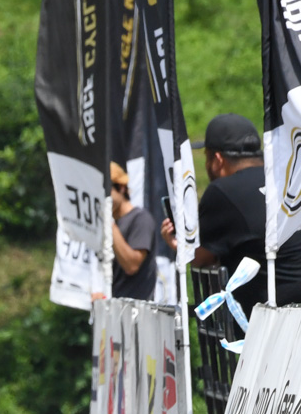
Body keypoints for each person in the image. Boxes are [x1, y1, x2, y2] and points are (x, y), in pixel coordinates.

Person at [161, 113, 301, 311]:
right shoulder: (288, 179)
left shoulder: (222, 191)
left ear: (218, 159)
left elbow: (200, 258)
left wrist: (178, 244)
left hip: (269, 321)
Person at [108, 162, 157, 300]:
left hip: (137, 312)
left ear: (121, 187)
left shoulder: (141, 219)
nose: (102, 196)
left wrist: (109, 224)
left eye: (106, 189)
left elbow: (132, 265)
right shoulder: (114, 223)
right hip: (115, 308)